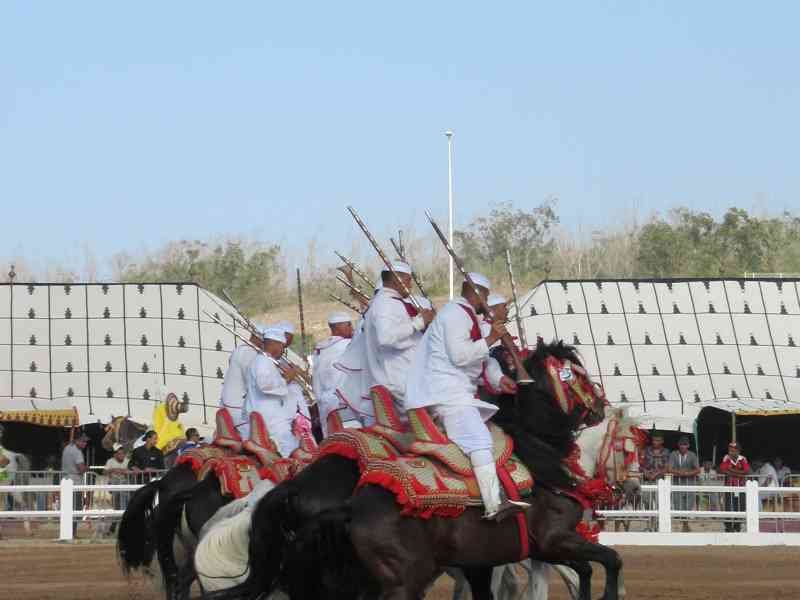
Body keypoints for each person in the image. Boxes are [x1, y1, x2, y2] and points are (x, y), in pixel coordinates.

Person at [406, 273, 526, 521]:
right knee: (479, 441)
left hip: (457, 392)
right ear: (477, 293)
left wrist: (497, 379)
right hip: (448, 394)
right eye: (486, 295)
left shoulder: (463, 315)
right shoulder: (455, 315)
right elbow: (461, 356)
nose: (488, 302)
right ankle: (493, 504)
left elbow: (478, 361)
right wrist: (492, 338)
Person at [336, 261, 434, 423]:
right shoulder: (386, 303)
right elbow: (386, 337)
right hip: (402, 383)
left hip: (404, 380)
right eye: (409, 280)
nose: (411, 286)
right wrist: (419, 322)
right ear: (398, 280)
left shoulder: (386, 302)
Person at [241, 327, 301, 456]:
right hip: (270, 420)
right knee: (291, 449)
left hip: (270, 415)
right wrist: (287, 378)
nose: (282, 351)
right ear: (275, 344)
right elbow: (265, 385)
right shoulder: (262, 361)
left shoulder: (265, 361)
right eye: (282, 347)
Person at [312, 312, 356, 436]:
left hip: (325, 401)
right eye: (348, 325)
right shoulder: (347, 345)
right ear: (337, 327)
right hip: (342, 401)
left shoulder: (320, 349)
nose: (351, 328)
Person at [219, 325, 265, 433]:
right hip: (238, 409)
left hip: (230, 404)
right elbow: (252, 382)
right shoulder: (249, 352)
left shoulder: (240, 349)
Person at [668, 435, 701, 531]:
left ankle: (685, 524)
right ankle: (684, 524)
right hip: (676, 484)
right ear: (678, 445)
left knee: (688, 505)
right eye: (681, 444)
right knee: (678, 505)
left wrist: (687, 474)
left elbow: (698, 469)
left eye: (685, 444)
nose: (683, 446)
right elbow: (669, 468)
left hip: (689, 483)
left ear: (688, 445)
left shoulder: (692, 455)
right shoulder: (673, 454)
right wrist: (679, 473)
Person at [61, 433, 89, 537]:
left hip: (65, 479)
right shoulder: (77, 452)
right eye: (83, 441)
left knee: (67, 508)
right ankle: (73, 533)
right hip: (75, 481)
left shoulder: (67, 448)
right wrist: (87, 468)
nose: (85, 443)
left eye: (85, 441)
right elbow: (81, 468)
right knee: (76, 507)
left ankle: (68, 531)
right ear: (77, 441)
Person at [640, 432, 670, 530]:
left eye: (657, 440)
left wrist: (656, 474)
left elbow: (667, 467)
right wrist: (646, 473)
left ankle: (657, 525)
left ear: (662, 441)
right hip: (647, 480)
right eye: (653, 440)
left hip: (660, 481)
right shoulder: (646, 450)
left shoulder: (666, 452)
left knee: (659, 503)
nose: (655, 442)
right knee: (646, 501)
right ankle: (649, 525)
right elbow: (640, 464)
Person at [719, 441, 750, 532]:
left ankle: (737, 525)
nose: (731, 452)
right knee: (728, 507)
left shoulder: (742, 459)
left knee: (740, 506)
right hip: (729, 486)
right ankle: (728, 526)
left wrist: (731, 471)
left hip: (740, 487)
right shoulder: (726, 458)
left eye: (733, 450)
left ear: (738, 451)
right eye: (730, 450)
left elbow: (746, 471)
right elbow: (723, 470)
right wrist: (739, 473)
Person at [104, 444, 130, 527]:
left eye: (123, 453)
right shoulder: (110, 461)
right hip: (114, 484)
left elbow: (131, 472)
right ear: (115, 454)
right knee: (117, 505)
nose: (121, 455)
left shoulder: (127, 461)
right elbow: (104, 472)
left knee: (123, 504)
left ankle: (116, 525)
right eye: (119, 453)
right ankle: (115, 524)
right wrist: (112, 470)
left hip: (125, 484)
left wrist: (124, 471)